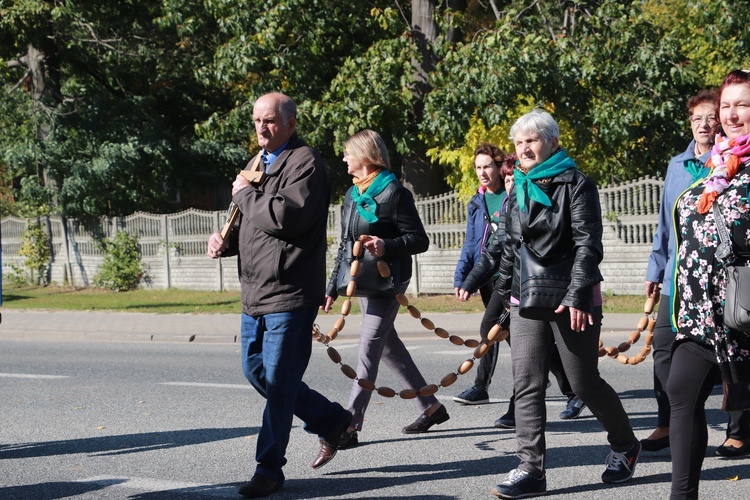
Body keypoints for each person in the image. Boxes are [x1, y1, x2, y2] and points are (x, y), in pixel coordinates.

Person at [469, 109, 640, 499]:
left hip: (570, 297)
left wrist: (578, 293)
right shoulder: (518, 190)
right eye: (518, 142)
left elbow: (587, 243)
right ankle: (531, 468)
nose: (524, 147)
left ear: (552, 143)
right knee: (526, 382)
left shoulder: (576, 183)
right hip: (525, 297)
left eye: (532, 139)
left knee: (583, 382)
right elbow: (511, 248)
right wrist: (499, 298)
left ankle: (626, 445)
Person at [206, 92, 352, 498]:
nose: (260, 128)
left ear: (290, 122)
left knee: (281, 384)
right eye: (256, 121)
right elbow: (252, 223)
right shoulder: (258, 163)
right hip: (255, 292)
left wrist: (242, 194)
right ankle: (333, 420)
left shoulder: (305, 162)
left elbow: (284, 217)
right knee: (258, 373)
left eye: (269, 121)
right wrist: (226, 241)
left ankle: (269, 469)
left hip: (290, 292)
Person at [323, 129, 448, 449]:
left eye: (348, 153)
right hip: (362, 280)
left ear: (365, 156)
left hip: (388, 281)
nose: (343, 158)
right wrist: (332, 287)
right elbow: (345, 244)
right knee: (386, 346)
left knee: (368, 350)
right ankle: (431, 407)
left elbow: (419, 240)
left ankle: (349, 425)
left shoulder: (395, 193)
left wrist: (387, 245)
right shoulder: (352, 195)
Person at [642, 89, 750, 455]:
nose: (704, 124)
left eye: (710, 116)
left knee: (731, 354)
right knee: (662, 348)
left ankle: (738, 429)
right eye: (697, 118)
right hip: (677, 274)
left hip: (721, 280)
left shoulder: (729, 160)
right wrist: (655, 269)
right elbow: (664, 225)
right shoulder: (676, 164)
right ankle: (667, 422)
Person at [667, 69, 750, 499]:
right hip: (703, 315)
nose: (732, 114)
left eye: (743, 105)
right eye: (727, 106)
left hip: (746, 316)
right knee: (680, 390)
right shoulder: (717, 163)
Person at [452, 144, 513, 406]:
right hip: (486, 275)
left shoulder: (511, 195)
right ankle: (565, 386)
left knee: (491, 329)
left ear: (499, 167)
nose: (482, 172)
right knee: (505, 333)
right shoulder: (477, 202)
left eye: (487, 166)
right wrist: (462, 277)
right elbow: (471, 243)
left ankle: (480, 387)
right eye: (478, 167)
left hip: (509, 276)